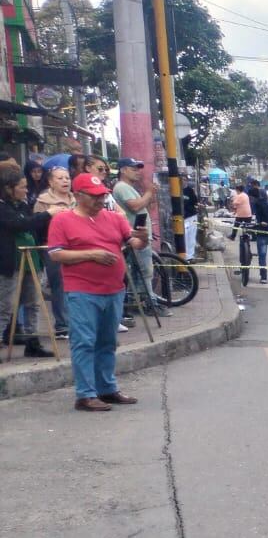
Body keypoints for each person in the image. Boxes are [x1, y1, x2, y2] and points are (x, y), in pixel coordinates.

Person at [48, 172, 146, 411]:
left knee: (107, 341)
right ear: (78, 196)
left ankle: (107, 388)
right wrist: (91, 254)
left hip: (113, 289)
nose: (100, 200)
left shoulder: (114, 218)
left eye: (102, 195)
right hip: (82, 289)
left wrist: (141, 239)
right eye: (94, 197)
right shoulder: (62, 220)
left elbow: (132, 242)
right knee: (84, 341)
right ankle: (85, 393)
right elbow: (56, 253)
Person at [0, 164, 54, 357]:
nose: (26, 190)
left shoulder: (22, 205)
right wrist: (47, 214)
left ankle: (33, 342)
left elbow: (30, 223)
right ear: (8, 188)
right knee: (5, 305)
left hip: (32, 259)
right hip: (10, 263)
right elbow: (18, 223)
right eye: (22, 187)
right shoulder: (3, 208)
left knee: (33, 302)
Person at [111, 158, 165, 316]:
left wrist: (150, 195)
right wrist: (149, 193)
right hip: (134, 235)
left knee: (139, 271)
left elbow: (143, 205)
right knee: (145, 271)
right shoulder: (121, 187)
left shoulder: (128, 187)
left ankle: (138, 302)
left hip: (139, 234)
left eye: (138, 168)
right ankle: (150, 304)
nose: (137, 171)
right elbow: (135, 206)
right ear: (123, 170)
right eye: (133, 168)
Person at [33, 164, 75, 336]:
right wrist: (52, 215)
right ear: (50, 182)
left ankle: (77, 321)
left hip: (77, 246)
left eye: (67, 178)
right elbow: (36, 225)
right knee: (60, 284)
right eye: (60, 178)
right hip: (53, 246)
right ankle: (62, 324)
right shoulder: (43, 202)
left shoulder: (76, 199)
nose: (65, 181)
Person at [230, 182, 256, 283]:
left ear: (238, 189)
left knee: (236, 225)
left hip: (241, 215)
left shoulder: (239, 195)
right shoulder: (245, 195)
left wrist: (233, 207)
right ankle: (253, 236)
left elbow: (234, 204)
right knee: (249, 227)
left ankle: (232, 236)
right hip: (248, 214)